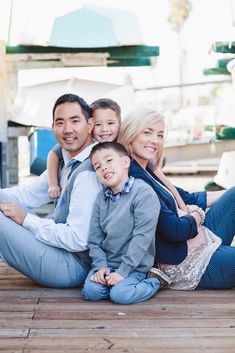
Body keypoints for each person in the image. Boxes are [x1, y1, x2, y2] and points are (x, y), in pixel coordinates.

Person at [118, 106, 235, 290]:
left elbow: (187, 197)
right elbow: (175, 230)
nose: (155, 141)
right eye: (147, 132)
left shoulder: (146, 169)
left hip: (201, 238)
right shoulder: (134, 178)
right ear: (130, 134)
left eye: (160, 135)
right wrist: (198, 215)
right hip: (187, 263)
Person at [0, 93, 102, 288]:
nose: (67, 130)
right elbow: (29, 195)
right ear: (53, 126)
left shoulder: (89, 172)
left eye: (74, 121)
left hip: (71, 265)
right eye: (60, 122)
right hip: (54, 247)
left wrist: (26, 219)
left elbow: (78, 240)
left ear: (90, 125)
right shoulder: (65, 158)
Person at [82, 141, 165, 305]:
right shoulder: (101, 199)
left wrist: (123, 272)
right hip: (108, 264)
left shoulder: (143, 193)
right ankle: (112, 283)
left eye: (109, 160)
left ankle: (154, 281)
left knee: (120, 295)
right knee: (91, 292)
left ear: (126, 162)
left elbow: (142, 237)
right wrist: (100, 267)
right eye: (97, 167)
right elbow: (94, 239)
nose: (103, 168)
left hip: (134, 266)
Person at [47, 98, 121, 199]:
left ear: (119, 124)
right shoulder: (88, 149)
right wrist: (53, 184)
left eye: (110, 123)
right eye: (98, 124)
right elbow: (53, 154)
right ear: (90, 126)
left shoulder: (122, 144)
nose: (105, 129)